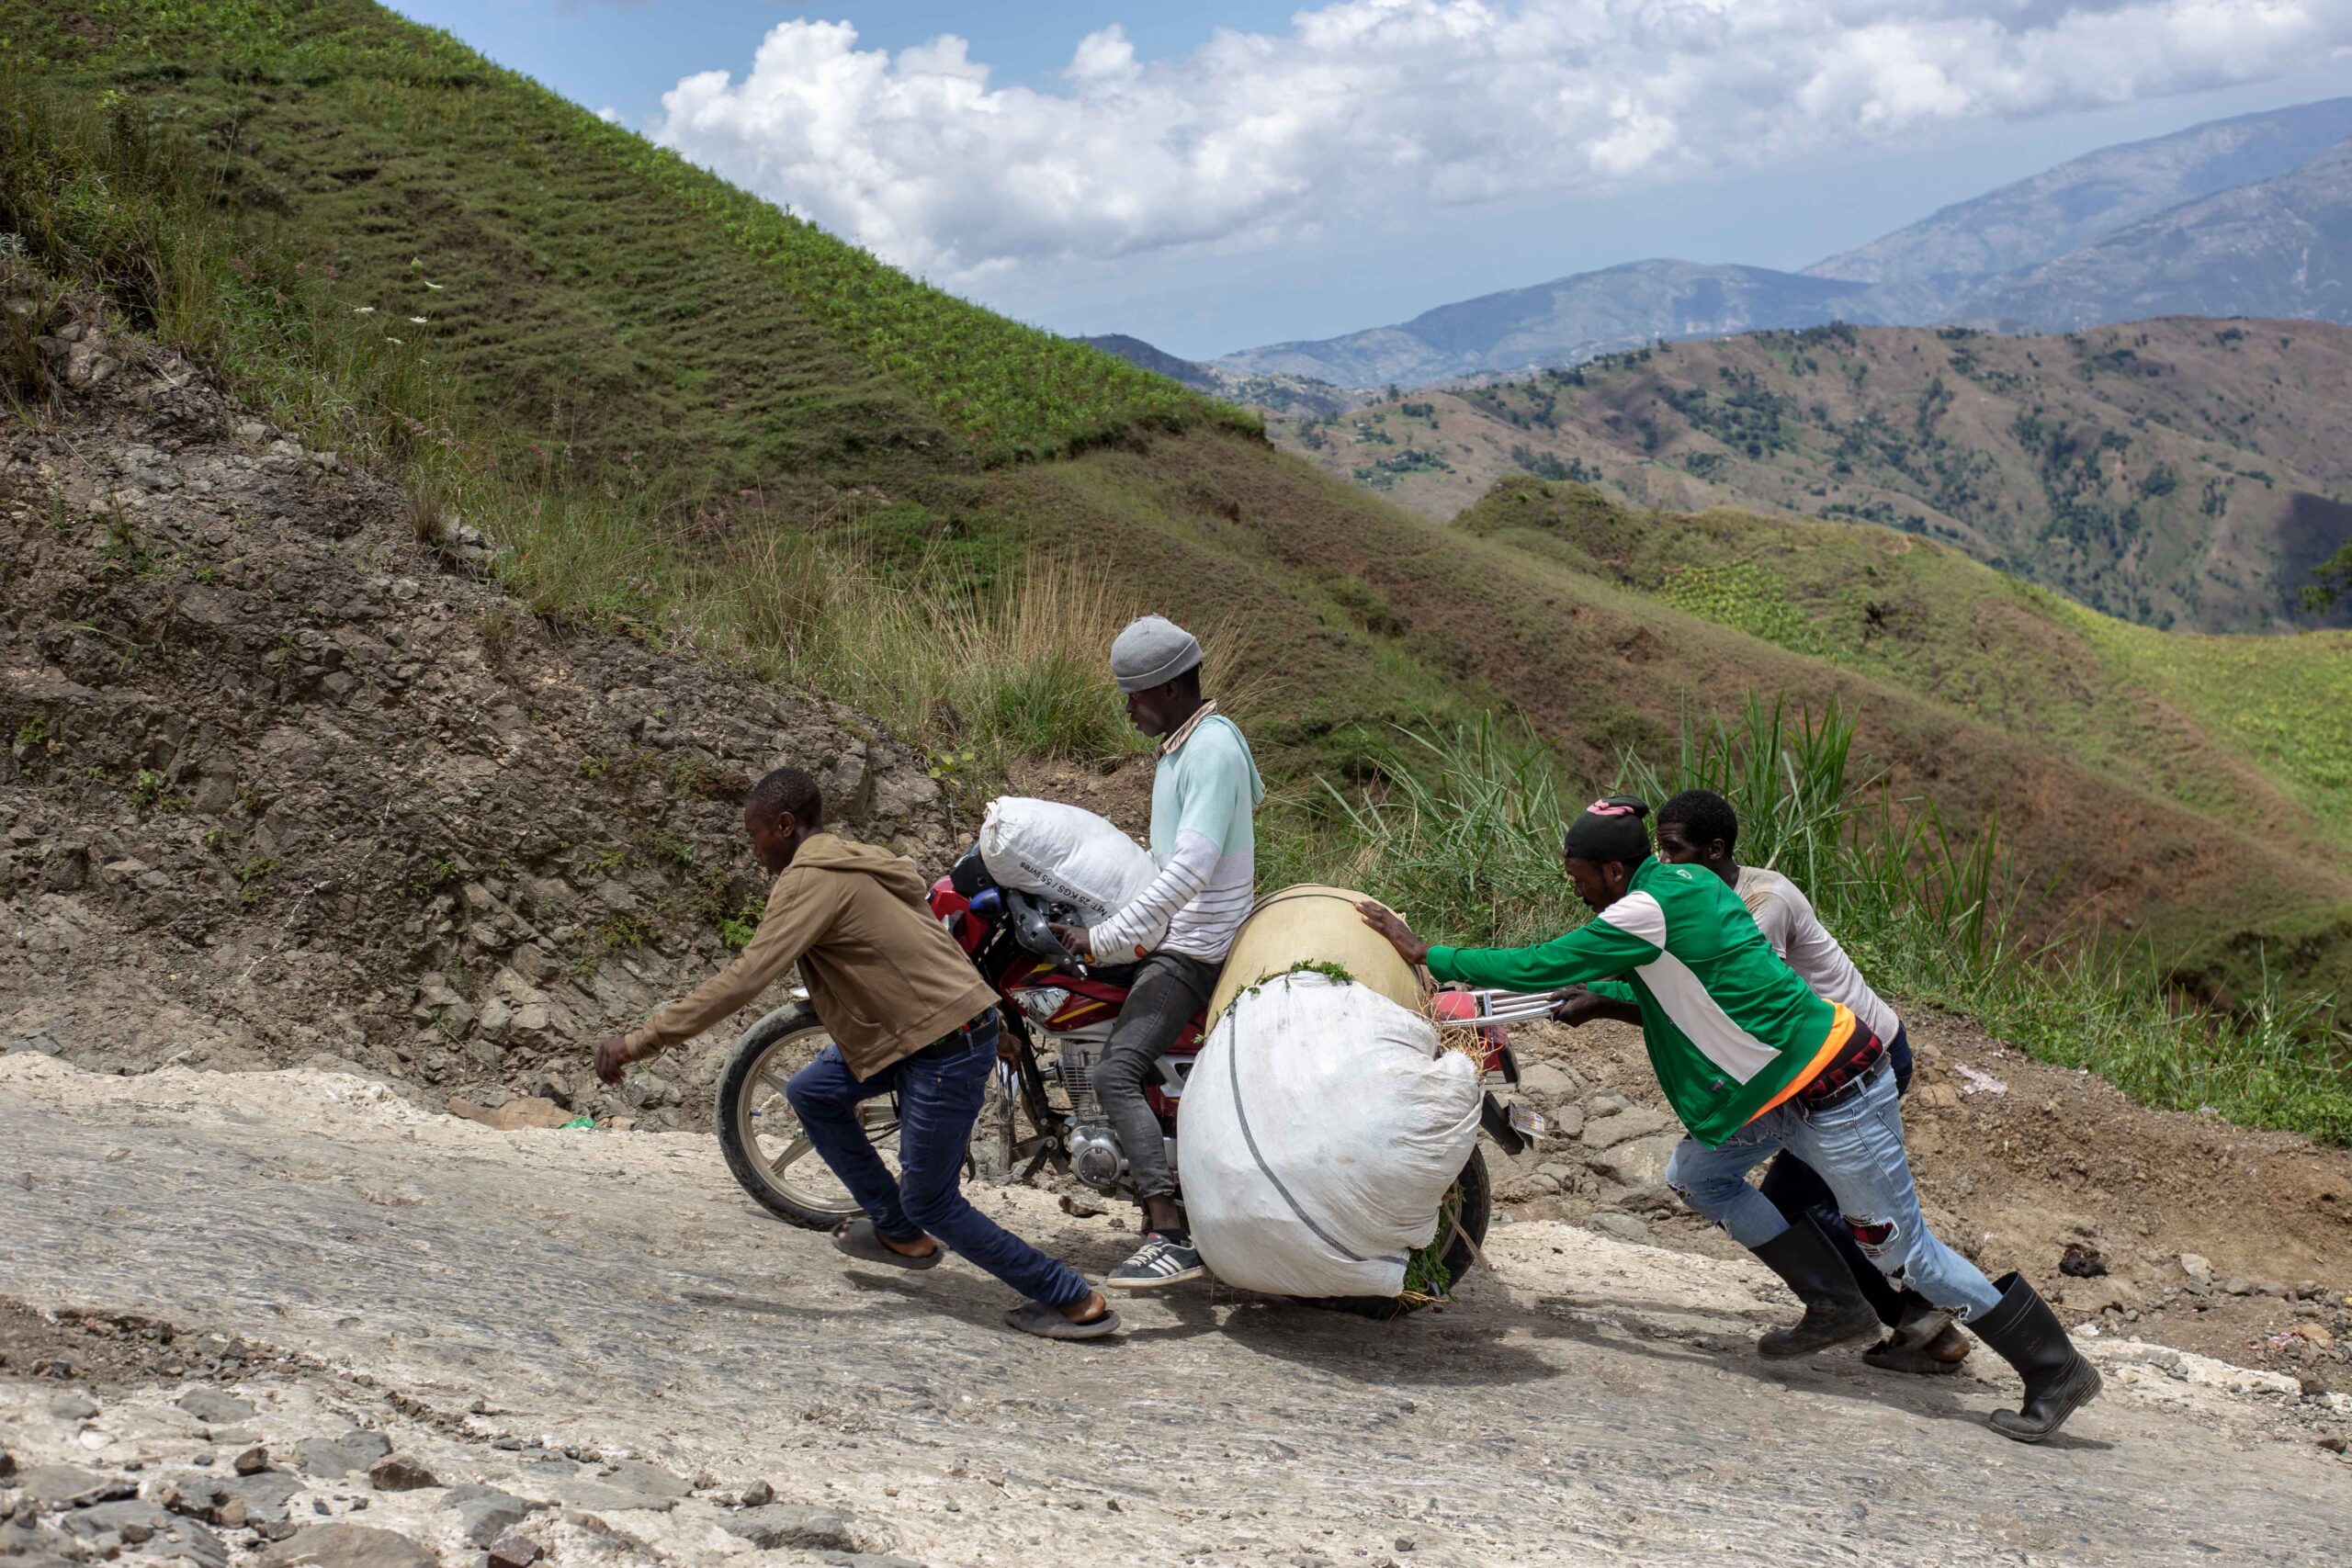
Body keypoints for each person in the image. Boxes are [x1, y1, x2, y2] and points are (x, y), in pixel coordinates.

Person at [1357, 795, 2100, 1443]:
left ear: (1614, 872)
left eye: (1578, 874)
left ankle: (2053, 1367)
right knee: (1699, 1173)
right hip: (1779, 1096)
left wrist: (1431, 951)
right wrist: (1609, 990)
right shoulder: (1684, 882)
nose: (1575, 886)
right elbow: (1674, 973)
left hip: (1840, 1093)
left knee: (1907, 1257)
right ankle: (1836, 1302)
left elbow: (1541, 963)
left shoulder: (1646, 906)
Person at [593, 766, 1117, 1341]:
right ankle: (898, 1232)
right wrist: (990, 1022)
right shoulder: (860, 859)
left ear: (785, 825)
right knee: (812, 1092)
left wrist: (638, 1041)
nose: (755, 849)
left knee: (933, 1200)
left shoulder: (808, 882)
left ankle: (1071, 1298)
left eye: (756, 834)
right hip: (935, 1030)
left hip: (941, 1046)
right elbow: (930, 941)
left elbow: (743, 980)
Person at [1557, 787, 1970, 1377]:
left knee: (1812, 1202)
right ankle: (1907, 1319)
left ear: (1716, 849)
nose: (1664, 866)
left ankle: (1921, 1317)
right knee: (1806, 1199)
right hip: (1809, 1069)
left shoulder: (1760, 903)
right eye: (1660, 851)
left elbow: (1724, 1008)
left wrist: (1604, 1001)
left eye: (1675, 852)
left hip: (1856, 1059)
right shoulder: (1696, 896)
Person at [1050, 615, 1262, 1291]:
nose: (1128, 709)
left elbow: (1189, 871)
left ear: (1171, 686)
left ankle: (1166, 1227)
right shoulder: (1188, 746)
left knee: (1116, 1072)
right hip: (1181, 933)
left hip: (1193, 948)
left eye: (1135, 694)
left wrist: (1105, 938)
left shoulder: (1211, 752)